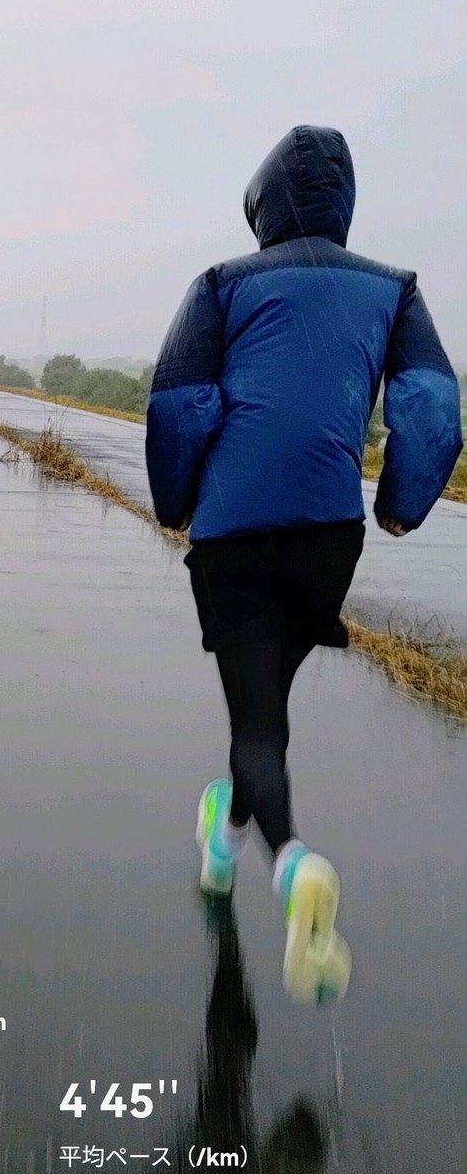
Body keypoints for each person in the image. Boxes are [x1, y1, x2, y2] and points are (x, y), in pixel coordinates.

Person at [145, 124, 463, 1006]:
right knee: (265, 709)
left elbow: (180, 404)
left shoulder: (221, 284)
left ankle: (290, 864)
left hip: (237, 536)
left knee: (257, 724)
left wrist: (176, 504)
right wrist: (400, 503)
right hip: (330, 535)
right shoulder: (395, 290)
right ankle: (223, 834)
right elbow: (432, 402)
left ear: (263, 204)